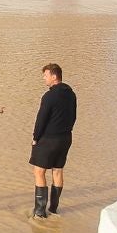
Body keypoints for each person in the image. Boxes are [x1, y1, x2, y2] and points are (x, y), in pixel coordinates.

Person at [30, 63, 77, 219]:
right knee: (57, 170)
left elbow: (41, 119)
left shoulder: (49, 96)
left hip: (49, 139)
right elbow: (74, 116)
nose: (44, 78)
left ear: (54, 76)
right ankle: (54, 209)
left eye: (46, 75)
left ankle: (40, 212)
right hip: (65, 138)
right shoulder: (71, 94)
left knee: (39, 171)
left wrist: (35, 138)